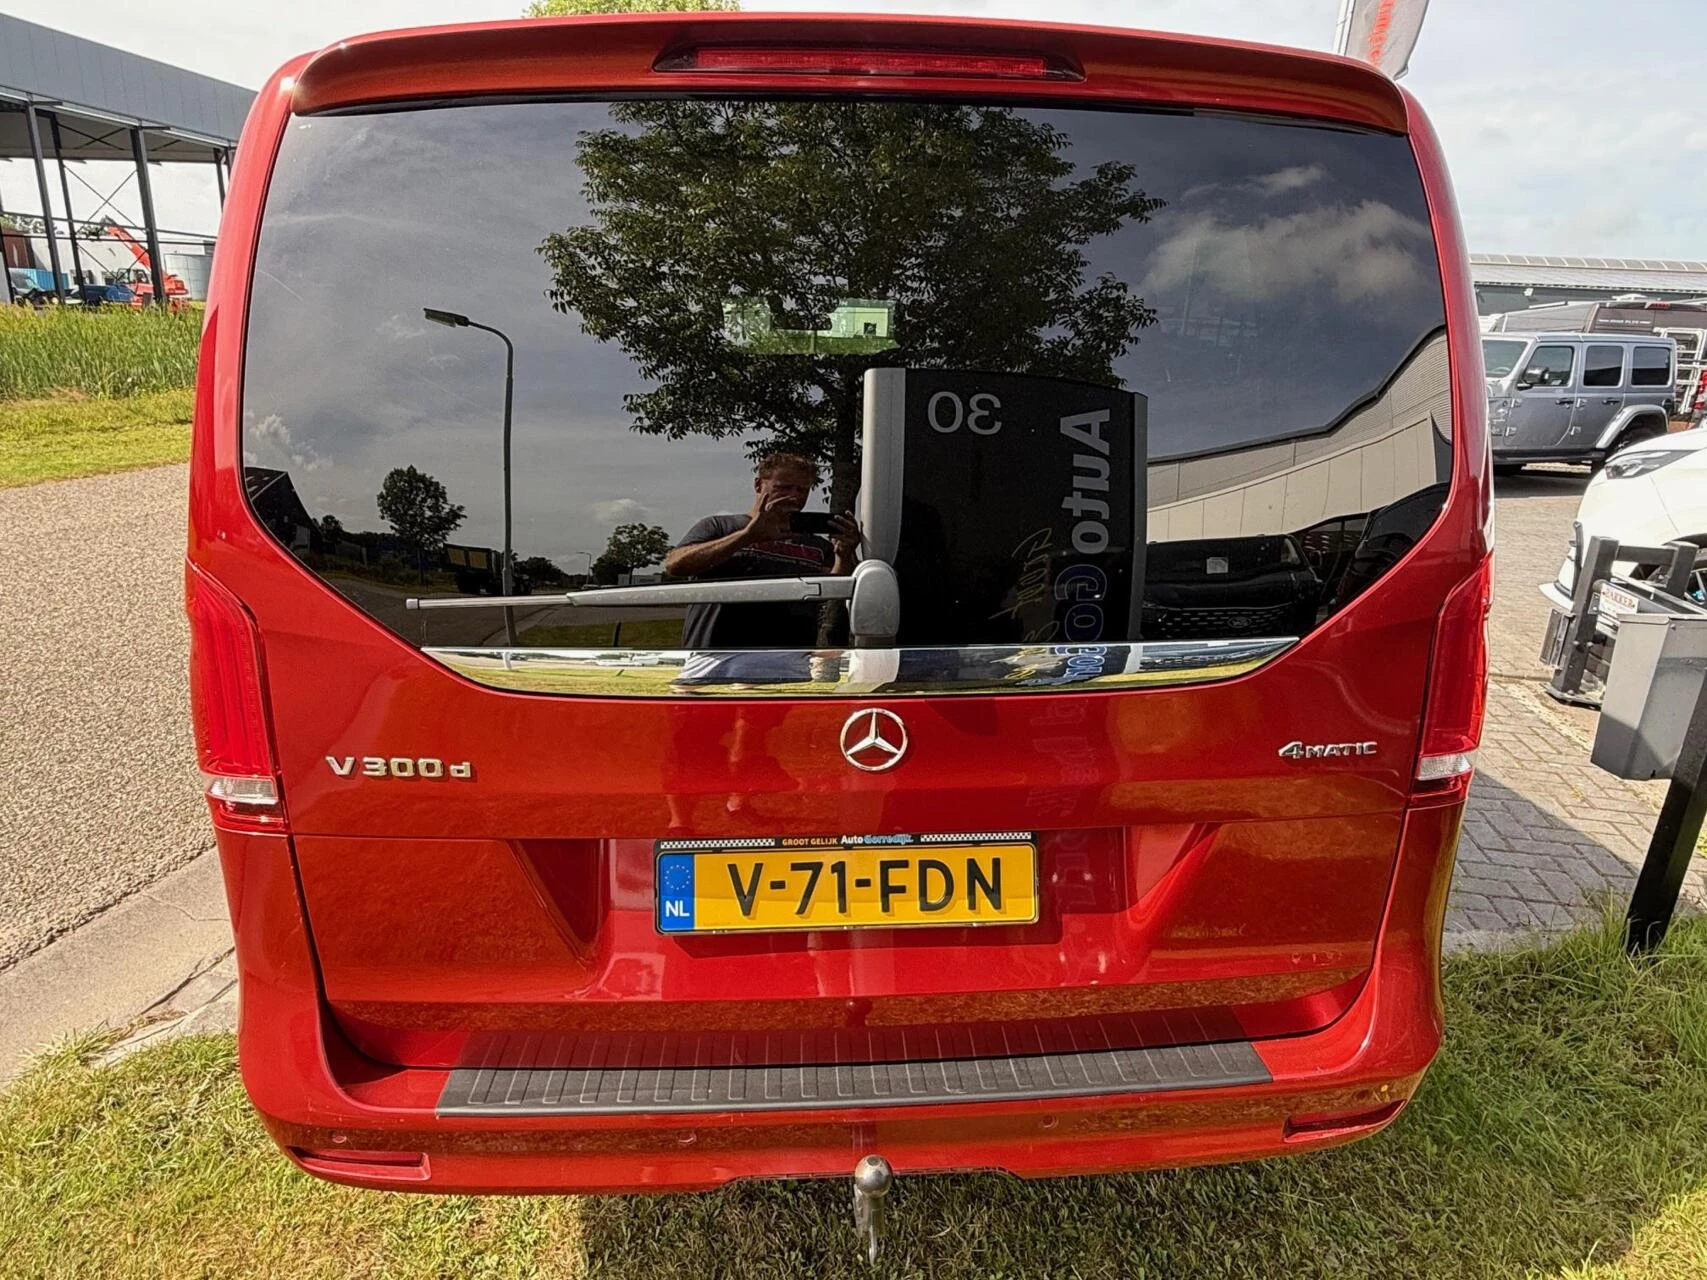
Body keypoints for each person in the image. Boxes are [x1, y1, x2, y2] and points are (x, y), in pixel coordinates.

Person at [663, 452, 860, 650]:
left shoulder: (817, 545)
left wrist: (844, 555)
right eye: (783, 487)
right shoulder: (720, 527)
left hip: (790, 656)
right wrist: (746, 536)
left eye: (803, 490)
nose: (794, 496)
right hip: (717, 654)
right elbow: (675, 564)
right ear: (758, 485)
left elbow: (831, 591)